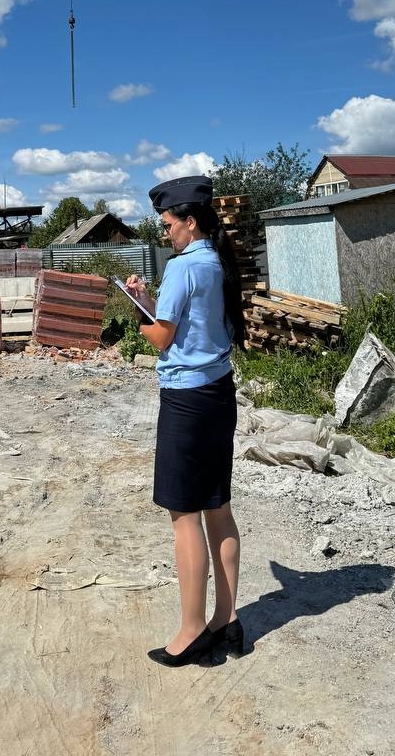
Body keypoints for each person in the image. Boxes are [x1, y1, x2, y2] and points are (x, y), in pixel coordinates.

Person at [127, 174, 245, 667]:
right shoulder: (215, 261)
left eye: (167, 224)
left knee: (184, 515)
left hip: (186, 401)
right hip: (218, 393)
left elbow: (161, 338)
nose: (165, 232)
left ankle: (192, 630)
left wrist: (135, 313)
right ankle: (226, 620)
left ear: (189, 222)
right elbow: (188, 326)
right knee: (217, 507)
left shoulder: (181, 267)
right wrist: (151, 304)